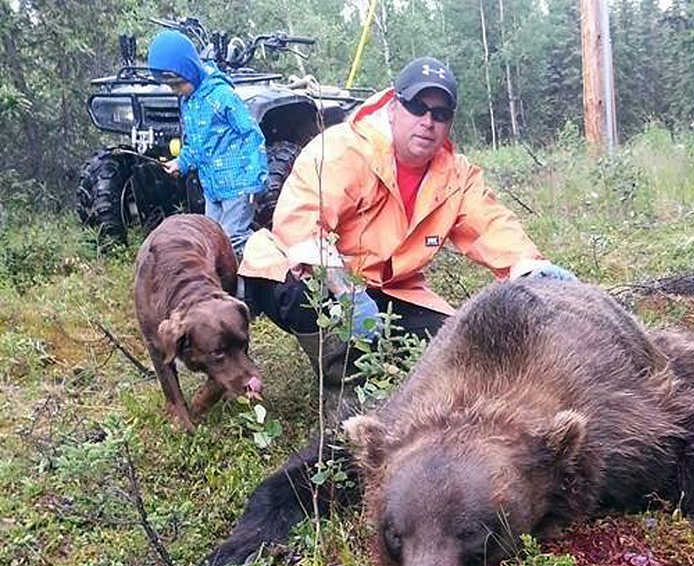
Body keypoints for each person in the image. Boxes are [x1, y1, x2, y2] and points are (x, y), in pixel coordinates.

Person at [237, 56, 575, 401]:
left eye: (440, 114)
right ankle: (348, 394)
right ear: (394, 106)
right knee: (303, 291)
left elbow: (490, 224)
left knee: (455, 343)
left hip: (390, 289)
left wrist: (531, 268)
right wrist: (347, 292)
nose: (428, 122)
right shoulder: (343, 149)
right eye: (417, 107)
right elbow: (301, 225)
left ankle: (391, 376)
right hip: (310, 273)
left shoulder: (456, 176)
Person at [148, 30, 267, 257]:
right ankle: (218, 287)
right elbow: (197, 144)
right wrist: (180, 162)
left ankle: (258, 275)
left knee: (233, 240)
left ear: (190, 70)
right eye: (171, 87)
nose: (176, 91)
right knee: (212, 240)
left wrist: (257, 177)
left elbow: (251, 134)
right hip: (213, 187)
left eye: (179, 84)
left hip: (240, 183)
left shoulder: (221, 96)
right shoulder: (189, 102)